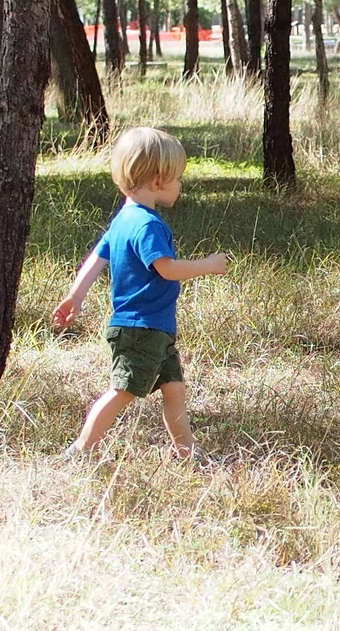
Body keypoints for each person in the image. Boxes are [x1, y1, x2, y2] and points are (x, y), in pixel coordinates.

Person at [52, 127, 229, 456]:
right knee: (123, 391)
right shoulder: (147, 224)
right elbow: (167, 268)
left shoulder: (123, 220)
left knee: (174, 388)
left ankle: (187, 451)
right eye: (177, 178)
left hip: (153, 328)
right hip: (141, 328)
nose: (180, 184)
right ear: (158, 180)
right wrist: (208, 264)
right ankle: (82, 448)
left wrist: (75, 295)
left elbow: (95, 259)